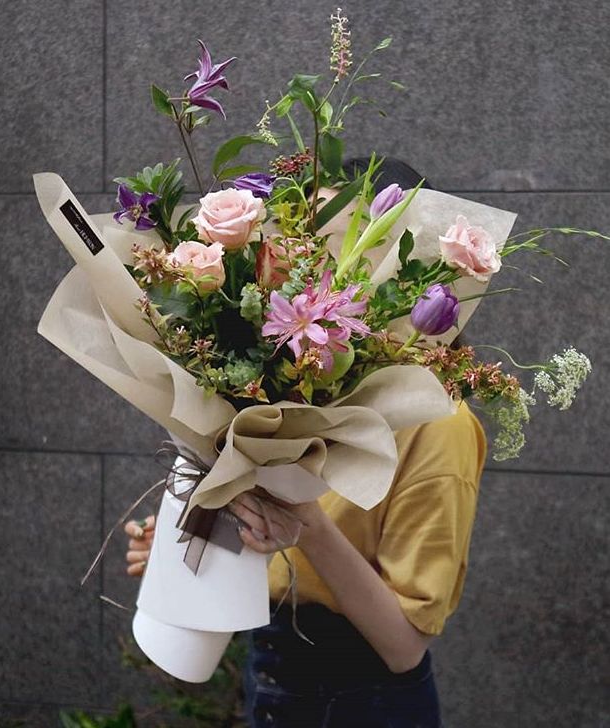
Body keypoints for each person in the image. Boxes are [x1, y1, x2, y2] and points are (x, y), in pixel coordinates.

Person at [124, 160, 487, 728]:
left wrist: (307, 524)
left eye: (340, 243)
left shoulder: (441, 424)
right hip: (273, 680)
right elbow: (282, 550)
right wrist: (196, 544)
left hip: (363, 701)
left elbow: (404, 645)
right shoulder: (312, 392)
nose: (318, 265)